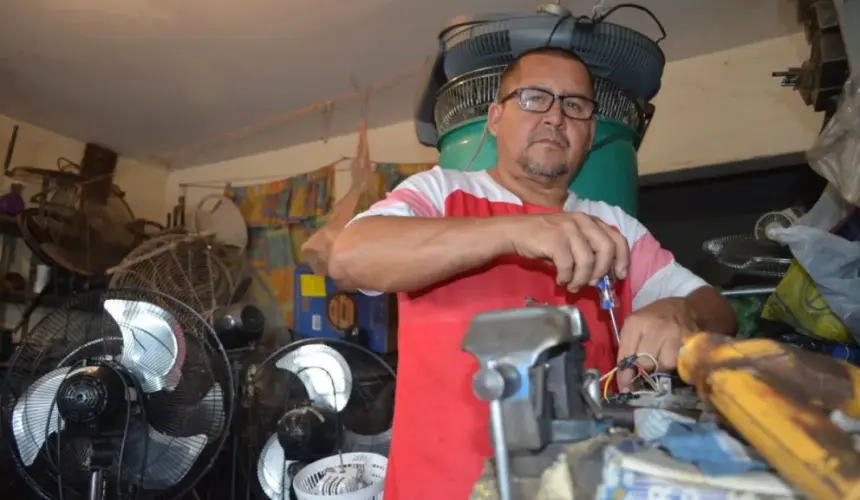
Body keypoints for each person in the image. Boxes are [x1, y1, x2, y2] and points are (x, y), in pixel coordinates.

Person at [328, 47, 737, 500]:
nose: (555, 117)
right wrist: (516, 229)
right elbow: (349, 258)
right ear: (495, 117)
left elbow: (717, 311)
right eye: (534, 98)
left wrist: (679, 311)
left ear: (591, 131)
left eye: (575, 105)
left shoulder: (616, 228)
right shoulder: (441, 191)